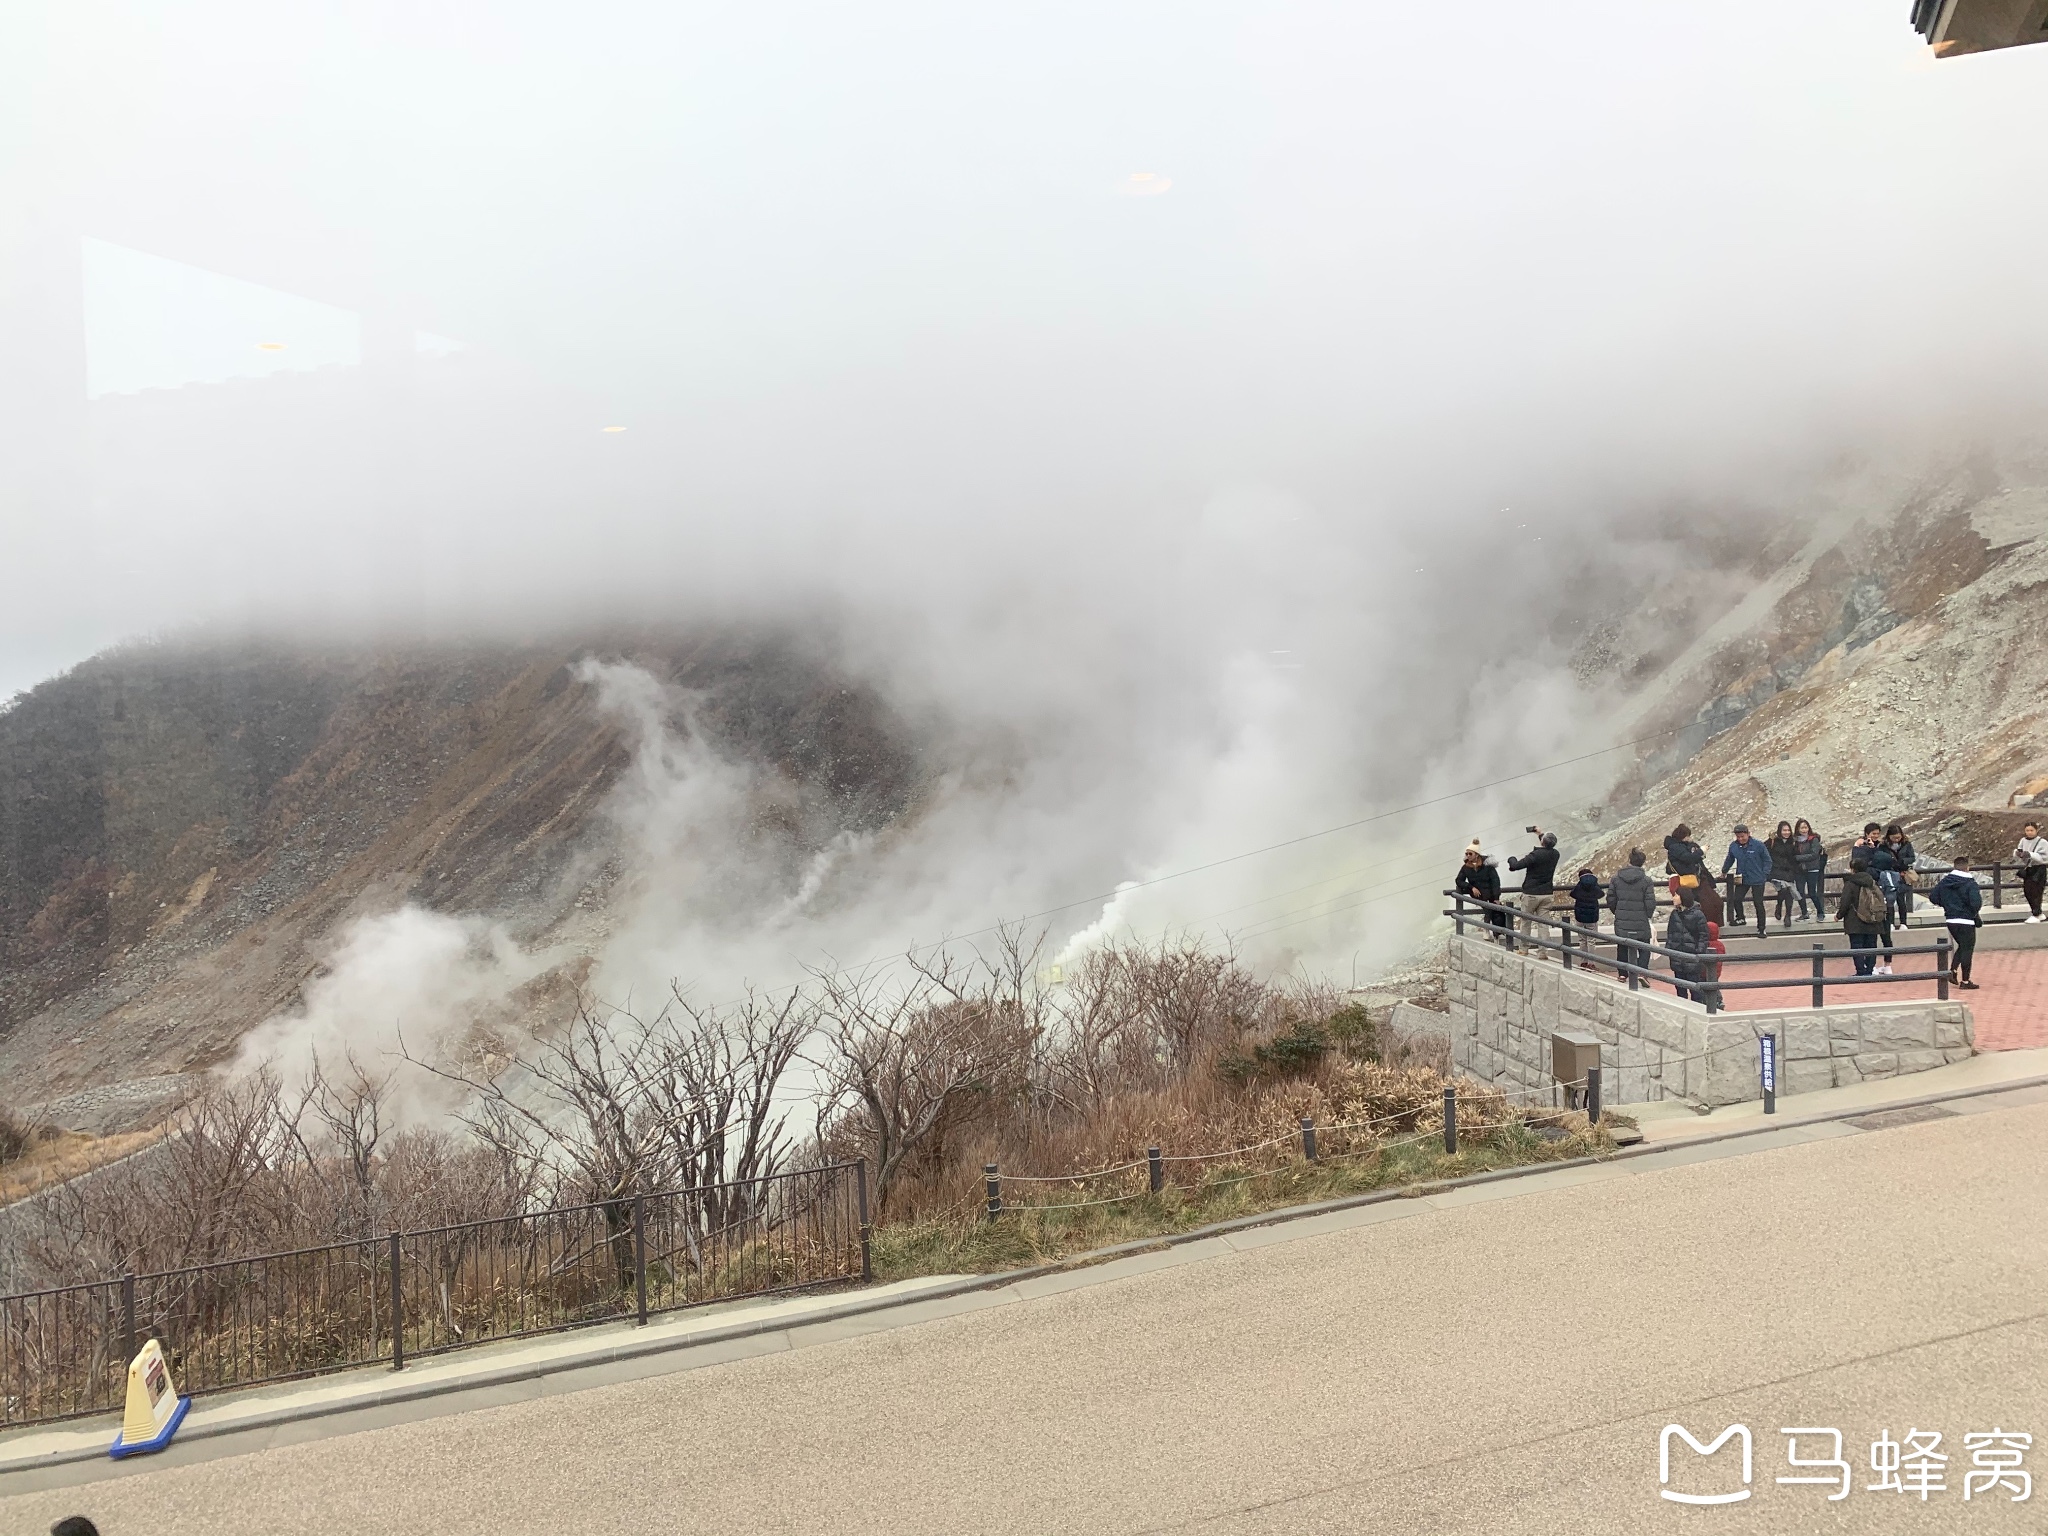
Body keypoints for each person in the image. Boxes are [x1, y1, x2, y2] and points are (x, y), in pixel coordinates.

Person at [1929, 863, 1984, 989]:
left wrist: (1948, 905)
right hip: (1966, 921)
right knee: (1968, 949)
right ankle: (1965, 980)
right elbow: (1976, 903)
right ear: (1967, 868)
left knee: (1963, 946)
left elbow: (1933, 897)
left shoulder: (1945, 882)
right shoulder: (1970, 883)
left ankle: (1952, 971)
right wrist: (1972, 913)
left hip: (1951, 919)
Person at [1505, 828, 1561, 953]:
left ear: (1542, 842)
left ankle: (1524, 948)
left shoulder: (1535, 856)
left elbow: (1515, 866)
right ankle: (1543, 952)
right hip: (1546, 894)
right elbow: (1547, 844)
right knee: (1543, 924)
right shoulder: (1555, 854)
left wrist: (1511, 859)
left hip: (1531, 894)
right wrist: (1539, 833)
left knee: (1526, 922)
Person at [1607, 847, 1658, 980]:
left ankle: (1623, 974)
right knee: (1644, 945)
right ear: (1642, 863)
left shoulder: (1616, 879)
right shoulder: (1646, 880)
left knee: (1622, 945)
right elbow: (1650, 901)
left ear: (1629, 860)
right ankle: (1641, 972)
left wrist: (1617, 912)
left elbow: (1611, 899)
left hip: (1622, 919)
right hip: (1641, 918)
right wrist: (1647, 914)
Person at [1837, 854, 1889, 977]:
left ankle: (1860, 971)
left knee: (1857, 946)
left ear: (1853, 869)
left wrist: (1839, 915)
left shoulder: (1850, 883)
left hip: (1855, 920)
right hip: (1873, 919)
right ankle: (1870, 970)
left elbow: (1845, 902)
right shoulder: (1873, 882)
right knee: (1871, 945)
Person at [1664, 885, 1713, 1004]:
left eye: (1676, 895)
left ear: (1683, 897)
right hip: (1677, 957)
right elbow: (1670, 934)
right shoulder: (1674, 914)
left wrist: (1698, 952)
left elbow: (1704, 935)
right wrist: (1670, 949)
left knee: (1695, 991)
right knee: (1680, 991)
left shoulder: (1698, 915)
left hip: (1692, 958)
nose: (1674, 898)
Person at [1720, 823, 1772, 935]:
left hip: (1757, 878)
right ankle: (1741, 918)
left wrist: (1765, 874)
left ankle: (1762, 928)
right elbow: (1730, 859)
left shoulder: (1758, 845)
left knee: (1758, 903)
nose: (1740, 839)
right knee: (1736, 899)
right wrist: (1724, 871)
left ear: (1748, 834)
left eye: (1742, 836)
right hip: (1742, 878)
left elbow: (1767, 860)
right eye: (1738, 837)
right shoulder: (1733, 846)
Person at [1865, 826, 1903, 973]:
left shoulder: (1873, 873)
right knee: (1887, 938)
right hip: (1889, 907)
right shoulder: (1893, 874)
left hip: (1876, 909)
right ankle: (1888, 966)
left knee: (1873, 938)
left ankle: (1872, 966)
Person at [1456, 844, 1508, 945]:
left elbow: (1495, 881)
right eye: (1466, 854)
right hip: (1478, 894)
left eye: (1470, 853)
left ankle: (1495, 931)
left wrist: (1496, 897)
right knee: (1487, 908)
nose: (1468, 856)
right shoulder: (1466, 867)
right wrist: (1471, 887)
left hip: (1491, 892)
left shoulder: (1487, 866)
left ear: (1476, 854)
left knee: (1496, 910)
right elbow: (1459, 880)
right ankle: (1487, 928)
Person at [1883, 823, 1919, 927]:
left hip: (1902, 874)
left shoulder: (1906, 844)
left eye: (1898, 837)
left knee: (1901, 899)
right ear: (1889, 836)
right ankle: (1890, 923)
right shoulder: (1883, 845)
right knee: (1890, 900)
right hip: (1889, 874)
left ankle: (1903, 922)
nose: (1896, 840)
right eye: (1894, 838)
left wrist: (1903, 861)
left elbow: (1912, 857)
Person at [1765, 820, 1800, 927]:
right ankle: (1779, 905)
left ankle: (1787, 915)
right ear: (1780, 831)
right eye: (1784, 830)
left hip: (1789, 871)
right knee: (1783, 888)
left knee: (1788, 890)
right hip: (1776, 871)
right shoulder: (1772, 841)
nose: (1786, 832)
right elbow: (1763, 852)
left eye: (1788, 830)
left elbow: (1796, 857)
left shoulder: (1793, 842)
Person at [1792, 817, 1826, 921]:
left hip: (1812, 869)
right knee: (1800, 892)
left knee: (1812, 892)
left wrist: (1797, 858)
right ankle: (1804, 913)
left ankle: (1820, 912)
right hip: (1799, 870)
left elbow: (1814, 854)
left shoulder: (1813, 839)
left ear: (1808, 828)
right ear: (1797, 829)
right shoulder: (1794, 841)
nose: (1803, 830)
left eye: (1805, 827)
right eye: (1801, 828)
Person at [2015, 821, 2048, 922]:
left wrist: (2030, 854)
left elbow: (2044, 857)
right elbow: (2019, 852)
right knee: (2027, 891)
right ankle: (2037, 912)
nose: (2029, 832)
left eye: (2031, 830)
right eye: (2027, 830)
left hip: (2039, 868)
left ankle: (2037, 913)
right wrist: (2018, 853)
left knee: (2036, 891)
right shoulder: (2023, 840)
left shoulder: (2043, 842)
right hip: (2029, 867)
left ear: (2036, 830)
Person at [1663, 823, 1705, 897]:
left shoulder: (1681, 846)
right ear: (1683, 837)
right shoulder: (1675, 847)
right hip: (1682, 879)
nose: (1689, 838)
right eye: (1687, 836)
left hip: (1686, 878)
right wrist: (1700, 851)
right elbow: (1687, 858)